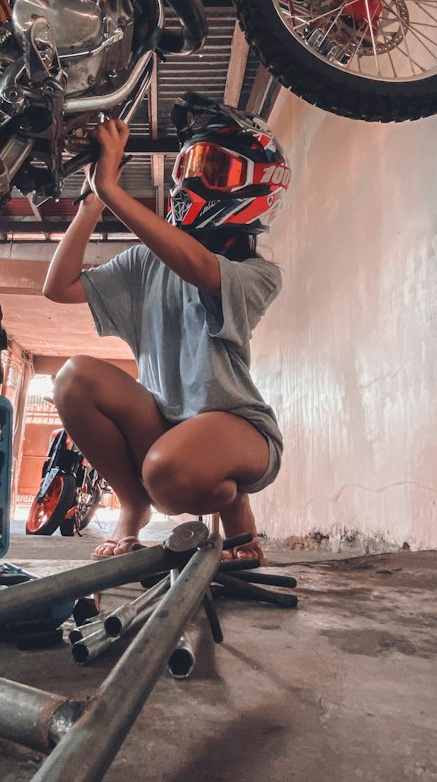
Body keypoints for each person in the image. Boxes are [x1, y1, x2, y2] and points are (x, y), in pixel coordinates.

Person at [41, 92, 290, 561]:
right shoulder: (144, 264)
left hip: (237, 429)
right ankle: (133, 508)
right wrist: (92, 204)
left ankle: (233, 500)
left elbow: (197, 265)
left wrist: (116, 193)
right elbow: (59, 287)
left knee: (169, 477)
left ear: (260, 188)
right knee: (73, 376)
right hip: (161, 422)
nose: (195, 181)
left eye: (216, 171)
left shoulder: (258, 274)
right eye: (191, 167)